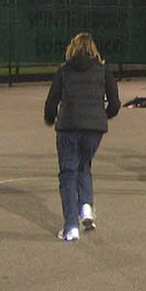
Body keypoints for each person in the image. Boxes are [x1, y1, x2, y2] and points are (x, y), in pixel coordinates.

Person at [43, 33, 120, 242]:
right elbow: (115, 103)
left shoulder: (64, 70)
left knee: (68, 174)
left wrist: (50, 119)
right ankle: (86, 207)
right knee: (83, 165)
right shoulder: (103, 70)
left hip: (68, 126)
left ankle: (70, 227)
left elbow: (51, 102)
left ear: (72, 48)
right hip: (94, 129)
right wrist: (102, 117)